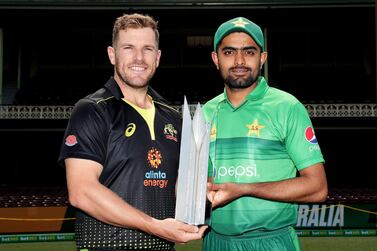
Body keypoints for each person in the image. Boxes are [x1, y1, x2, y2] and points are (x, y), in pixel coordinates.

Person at [58, 13, 207, 251]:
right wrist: (153, 225)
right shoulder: (92, 110)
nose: (139, 57)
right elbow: (81, 191)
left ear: (157, 57)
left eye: (147, 49)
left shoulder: (173, 116)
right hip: (103, 246)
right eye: (128, 47)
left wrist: (206, 191)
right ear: (112, 54)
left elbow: (179, 187)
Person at [202, 17, 328, 251]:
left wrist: (246, 188)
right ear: (215, 59)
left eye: (248, 52)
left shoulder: (287, 107)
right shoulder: (205, 113)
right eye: (229, 52)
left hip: (272, 242)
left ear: (262, 58)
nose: (239, 61)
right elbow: (204, 182)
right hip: (215, 242)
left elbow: (317, 187)